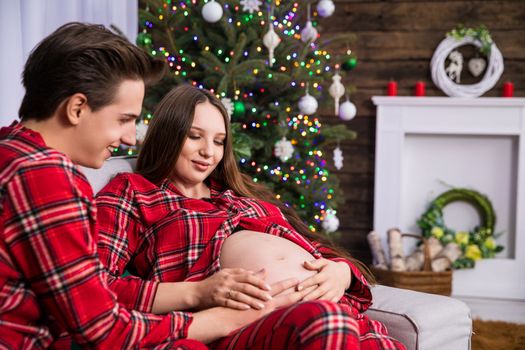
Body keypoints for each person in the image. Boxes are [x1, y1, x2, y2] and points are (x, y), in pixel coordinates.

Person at [0, 23, 304, 349]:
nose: (131, 138)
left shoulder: (11, 150)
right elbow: (103, 330)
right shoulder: (44, 177)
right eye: (124, 119)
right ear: (77, 108)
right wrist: (218, 319)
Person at [95, 85, 406, 349]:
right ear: (168, 133)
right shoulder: (133, 192)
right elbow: (95, 287)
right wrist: (197, 294)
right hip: (249, 326)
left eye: (218, 141)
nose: (208, 152)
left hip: (337, 313)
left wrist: (342, 272)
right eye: (194, 137)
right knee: (328, 322)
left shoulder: (240, 196)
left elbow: (320, 252)